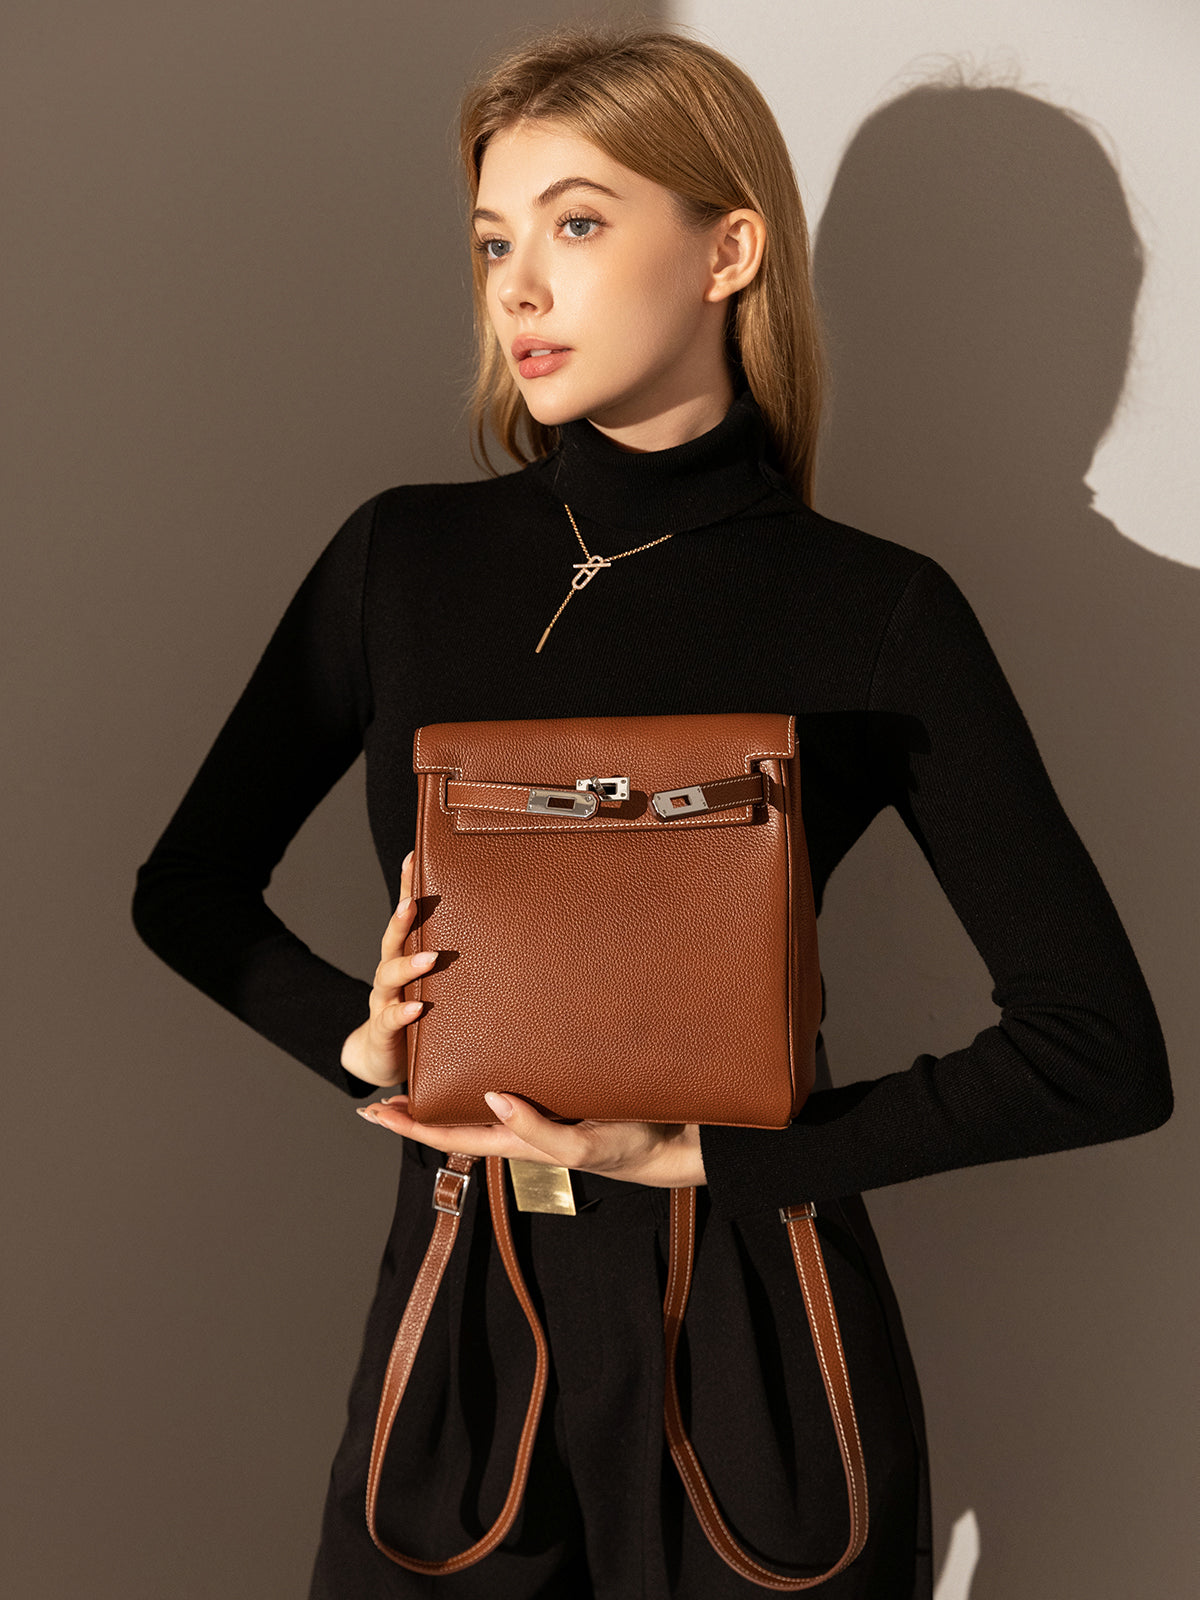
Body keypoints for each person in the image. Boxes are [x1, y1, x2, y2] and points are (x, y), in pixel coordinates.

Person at [131, 23, 1173, 1600]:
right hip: (459, 1339)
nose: (519, 286)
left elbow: (1097, 1052)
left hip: (764, 1346)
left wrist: (712, 1157)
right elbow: (188, 890)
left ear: (727, 251)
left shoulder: (874, 609)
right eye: (496, 240)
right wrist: (360, 1042)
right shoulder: (399, 560)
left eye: (579, 222)